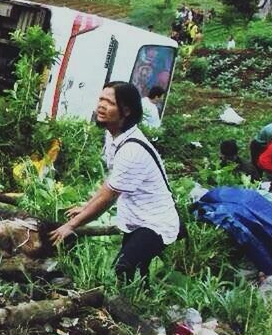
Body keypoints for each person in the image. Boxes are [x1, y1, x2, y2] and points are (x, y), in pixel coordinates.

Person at [49, 82, 179, 283]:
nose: (101, 106)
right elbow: (111, 183)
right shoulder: (113, 137)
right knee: (136, 275)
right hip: (136, 219)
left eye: (109, 102)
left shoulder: (131, 149)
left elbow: (110, 196)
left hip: (155, 223)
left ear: (126, 110)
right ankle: (140, 304)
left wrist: (71, 225)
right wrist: (87, 205)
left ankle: (130, 308)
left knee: (122, 269)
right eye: (101, 99)